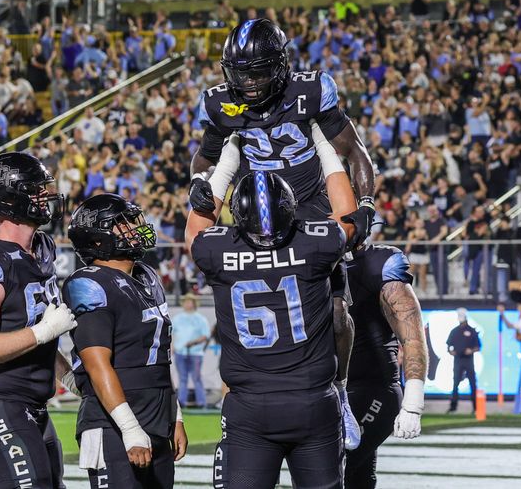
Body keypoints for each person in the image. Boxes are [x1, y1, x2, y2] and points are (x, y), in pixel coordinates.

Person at [189, 17, 375, 448]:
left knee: (334, 311)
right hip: (254, 210)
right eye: (240, 73)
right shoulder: (220, 103)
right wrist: (199, 184)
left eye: (257, 72)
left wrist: (364, 205)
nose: (248, 83)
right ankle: (243, 398)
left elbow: (355, 153)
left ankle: (340, 394)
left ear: (280, 65)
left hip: (311, 206)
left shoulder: (310, 91)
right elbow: (204, 160)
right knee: (241, 306)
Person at [186, 129, 357, 488]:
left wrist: (228, 161)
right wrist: (323, 145)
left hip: (249, 406)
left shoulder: (217, 250)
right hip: (312, 399)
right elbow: (347, 217)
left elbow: (194, 232)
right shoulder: (315, 243)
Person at [0, 152, 77, 488]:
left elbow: (32, 331)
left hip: (35, 404)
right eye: (36, 189)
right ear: (10, 199)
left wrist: (68, 377)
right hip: (0, 402)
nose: (45, 196)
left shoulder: (43, 248)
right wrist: (42, 331)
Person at [63, 193, 187, 488]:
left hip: (157, 418)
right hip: (113, 425)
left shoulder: (147, 276)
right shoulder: (89, 283)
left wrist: (176, 416)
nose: (137, 227)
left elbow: (159, 357)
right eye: (124, 223)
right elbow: (97, 365)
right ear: (97, 239)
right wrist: (130, 429)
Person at [344, 244, 428, 489]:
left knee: (330, 470)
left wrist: (413, 403)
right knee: (358, 478)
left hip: (372, 388)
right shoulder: (310, 257)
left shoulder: (376, 263)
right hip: (333, 392)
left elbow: (412, 335)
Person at [172, 293, 210, 408]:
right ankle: (181, 402)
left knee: (196, 378)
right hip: (180, 352)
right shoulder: (177, 318)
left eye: (190, 302)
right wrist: (173, 347)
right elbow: (172, 334)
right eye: (186, 302)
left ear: (194, 304)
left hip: (195, 353)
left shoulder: (200, 319)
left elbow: (205, 335)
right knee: (182, 378)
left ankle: (201, 403)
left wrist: (194, 342)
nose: (188, 304)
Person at [446, 308, 481, 414]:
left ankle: (476, 408)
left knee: (473, 383)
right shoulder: (454, 331)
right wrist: (451, 352)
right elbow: (448, 346)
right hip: (458, 360)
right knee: (455, 383)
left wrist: (471, 350)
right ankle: (453, 407)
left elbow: (478, 347)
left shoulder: (472, 330)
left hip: (469, 360)